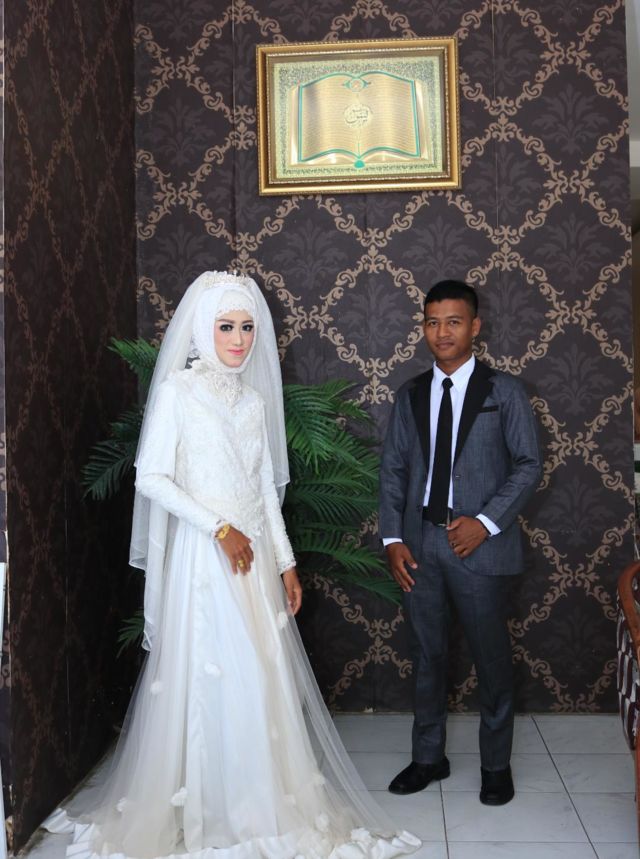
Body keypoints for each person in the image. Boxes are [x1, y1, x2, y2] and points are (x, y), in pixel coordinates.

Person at [44, 271, 420, 859]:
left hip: (253, 560)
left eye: (247, 327)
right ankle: (212, 813)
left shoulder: (253, 401)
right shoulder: (179, 392)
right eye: (226, 327)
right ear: (202, 330)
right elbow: (151, 478)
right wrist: (217, 527)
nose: (239, 340)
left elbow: (265, 490)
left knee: (258, 681)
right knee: (215, 679)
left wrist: (286, 562)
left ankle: (256, 805)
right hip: (206, 559)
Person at [379, 279, 542, 806]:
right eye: (432, 322)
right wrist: (393, 537)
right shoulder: (410, 394)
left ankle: (496, 765)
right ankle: (429, 757)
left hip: (480, 546)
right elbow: (393, 470)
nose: (442, 331)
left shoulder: (505, 392)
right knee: (427, 656)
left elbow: (528, 465)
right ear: (423, 328)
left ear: (474, 326)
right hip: (419, 544)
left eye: (453, 321)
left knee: (490, 660)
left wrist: (486, 523)